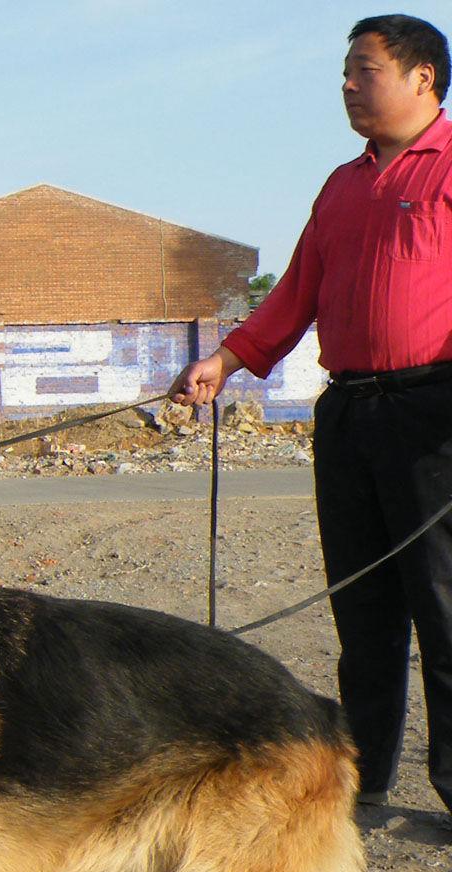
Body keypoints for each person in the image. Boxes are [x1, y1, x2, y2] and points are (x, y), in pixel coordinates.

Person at [170, 14, 452, 814]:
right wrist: (223, 362)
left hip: (435, 412)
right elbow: (296, 292)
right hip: (350, 415)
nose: (348, 85)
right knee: (362, 610)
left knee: (445, 603)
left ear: (423, 77)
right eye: (345, 72)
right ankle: (359, 780)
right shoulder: (342, 184)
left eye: (364, 69)